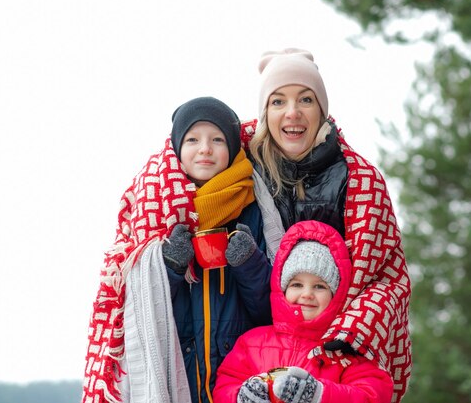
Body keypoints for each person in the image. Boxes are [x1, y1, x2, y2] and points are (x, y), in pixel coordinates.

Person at [239, 48, 412, 403]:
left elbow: (386, 277)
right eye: (277, 101)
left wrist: (339, 339)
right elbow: (190, 148)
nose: (292, 113)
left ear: (322, 110)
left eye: (306, 99)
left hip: (334, 346)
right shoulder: (240, 163)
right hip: (259, 335)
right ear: (264, 112)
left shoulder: (358, 178)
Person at [81, 97, 272, 403]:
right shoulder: (154, 214)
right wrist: (168, 267)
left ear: (234, 147)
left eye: (217, 139)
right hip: (178, 380)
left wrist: (250, 263)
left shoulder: (253, 208)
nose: (205, 148)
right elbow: (137, 311)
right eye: (193, 139)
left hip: (238, 381)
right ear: (178, 150)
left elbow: (271, 310)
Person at [213, 220, 393, 403]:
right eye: (297, 284)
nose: (307, 294)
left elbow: (373, 395)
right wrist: (240, 397)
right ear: (281, 289)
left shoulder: (346, 350)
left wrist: (319, 394)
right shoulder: (251, 342)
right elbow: (225, 385)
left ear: (336, 294)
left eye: (320, 286)